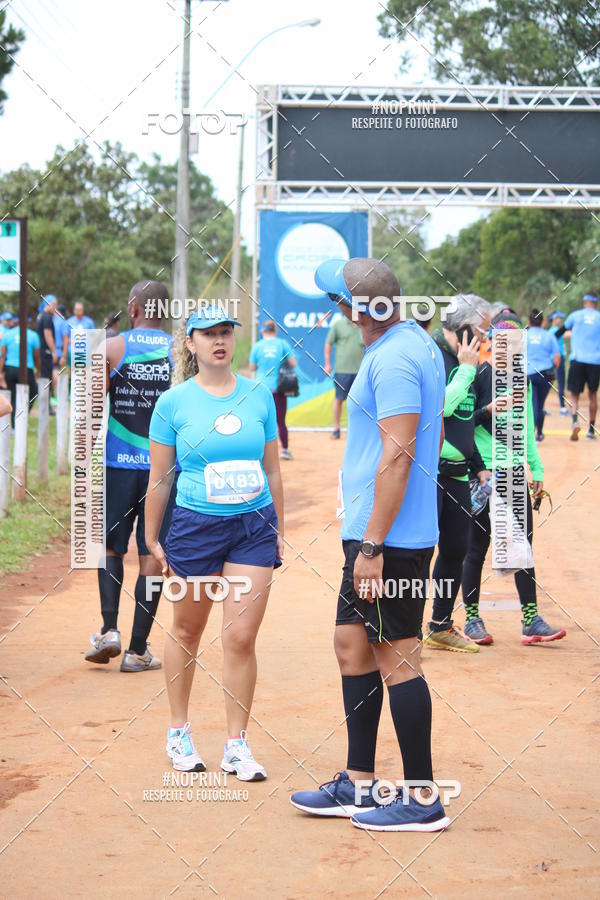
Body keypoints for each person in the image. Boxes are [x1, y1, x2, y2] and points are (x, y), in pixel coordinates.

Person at [290, 258, 450, 832]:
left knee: (397, 657)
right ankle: (359, 783)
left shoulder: (397, 357)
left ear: (351, 309)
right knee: (351, 645)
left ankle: (423, 800)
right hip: (374, 532)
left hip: (389, 540)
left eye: (337, 299)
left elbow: (399, 453)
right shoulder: (410, 343)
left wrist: (374, 546)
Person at [145, 306, 284, 780]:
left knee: (240, 637)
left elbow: (273, 469)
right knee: (187, 630)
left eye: (226, 332)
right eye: (208, 334)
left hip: (253, 527)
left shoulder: (258, 395)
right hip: (195, 528)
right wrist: (151, 537)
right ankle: (178, 731)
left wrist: (278, 526)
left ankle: (236, 745)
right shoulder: (173, 403)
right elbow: (161, 477)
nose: (219, 340)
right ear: (191, 343)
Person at [85, 280, 177, 673]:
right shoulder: (180, 351)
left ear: (134, 308)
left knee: (110, 548)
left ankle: (109, 630)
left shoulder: (111, 347)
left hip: (117, 464)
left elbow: (91, 408)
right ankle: (138, 650)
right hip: (163, 470)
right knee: (152, 554)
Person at [462, 308, 566, 646]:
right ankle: (472, 619)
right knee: (476, 548)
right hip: (484, 475)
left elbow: (526, 431)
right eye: (505, 342)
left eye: (517, 343)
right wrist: (487, 411)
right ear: (492, 342)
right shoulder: (478, 376)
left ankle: (530, 620)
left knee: (522, 548)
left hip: (515, 473)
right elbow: (462, 423)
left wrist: (536, 468)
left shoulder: (522, 381)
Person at [422, 293, 492, 653]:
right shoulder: (434, 354)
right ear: (464, 328)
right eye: (482, 330)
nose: (486, 338)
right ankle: (405, 631)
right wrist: (466, 369)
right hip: (430, 472)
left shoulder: (469, 361)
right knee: (419, 551)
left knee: (456, 548)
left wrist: (479, 467)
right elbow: (442, 408)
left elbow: (465, 421)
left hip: (460, 474)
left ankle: (440, 624)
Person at [249, 320, 296, 459]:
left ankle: (259, 452)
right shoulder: (282, 344)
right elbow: (293, 363)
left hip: (260, 388)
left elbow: (252, 367)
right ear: (275, 331)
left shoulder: (257, 346)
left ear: (262, 331)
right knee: (280, 421)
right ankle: (285, 450)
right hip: (278, 388)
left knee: (260, 421)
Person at [555, 293, 600, 441]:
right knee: (592, 395)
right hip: (595, 361)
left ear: (584, 302)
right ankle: (591, 430)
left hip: (577, 360)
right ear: (596, 304)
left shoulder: (575, 315)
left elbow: (559, 333)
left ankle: (575, 421)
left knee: (574, 395)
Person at [324, 314, 364, 439]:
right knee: (339, 399)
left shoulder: (364, 324)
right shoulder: (338, 324)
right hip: (342, 370)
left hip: (361, 371)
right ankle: (336, 429)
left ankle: (358, 430)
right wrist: (327, 364)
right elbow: (328, 343)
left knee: (360, 402)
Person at [526, 308, 561, 442]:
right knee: (540, 404)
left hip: (528, 374)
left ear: (529, 321)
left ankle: (531, 435)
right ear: (542, 322)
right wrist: (552, 370)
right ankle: (539, 433)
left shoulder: (524, 336)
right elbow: (557, 358)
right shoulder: (549, 336)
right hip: (545, 375)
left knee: (532, 404)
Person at [0, 314, 40, 426]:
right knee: (33, 393)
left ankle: (14, 421)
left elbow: (3, 355)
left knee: (12, 396)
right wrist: (39, 370)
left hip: (10, 369)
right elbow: (37, 356)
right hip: (26, 370)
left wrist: (0, 372)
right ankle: (20, 417)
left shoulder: (8, 334)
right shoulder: (33, 335)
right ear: (28, 323)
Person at [36, 295, 58, 416]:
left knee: (44, 378)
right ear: (48, 304)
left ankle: (44, 405)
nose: (55, 308)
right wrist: (54, 351)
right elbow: (47, 335)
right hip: (46, 353)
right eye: (54, 305)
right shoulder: (47, 317)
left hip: (41, 352)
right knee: (47, 379)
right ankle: (46, 406)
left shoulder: (40, 316)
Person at [548, 311, 568, 414]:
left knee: (550, 383)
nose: (560, 320)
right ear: (554, 319)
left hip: (551, 360)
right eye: (559, 318)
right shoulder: (556, 330)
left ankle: (541, 406)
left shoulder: (549, 331)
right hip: (558, 359)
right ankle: (562, 408)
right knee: (561, 383)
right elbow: (568, 334)